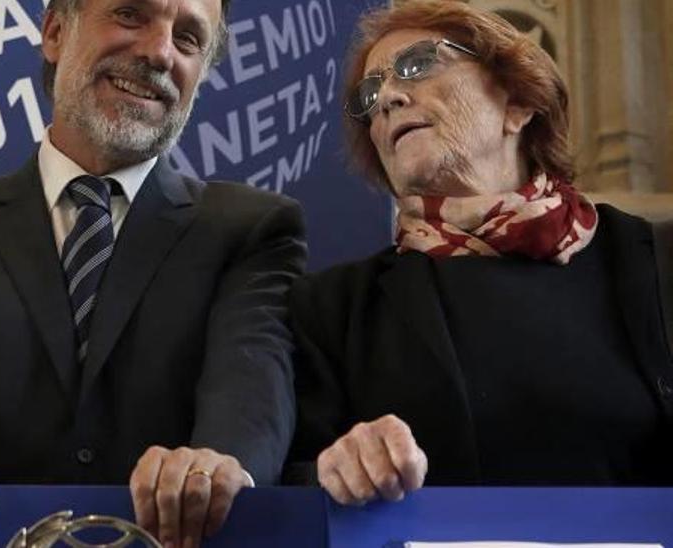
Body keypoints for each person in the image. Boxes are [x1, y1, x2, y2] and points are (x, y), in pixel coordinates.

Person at [0, 0, 306, 544]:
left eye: (187, 39)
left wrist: (217, 468)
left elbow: (252, 387)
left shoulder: (252, 230)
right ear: (56, 31)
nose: (159, 52)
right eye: (131, 15)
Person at [286, 0, 673, 506]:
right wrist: (334, 470)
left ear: (517, 103)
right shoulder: (334, 309)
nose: (387, 99)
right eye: (370, 93)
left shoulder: (656, 262)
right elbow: (287, 482)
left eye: (416, 65)